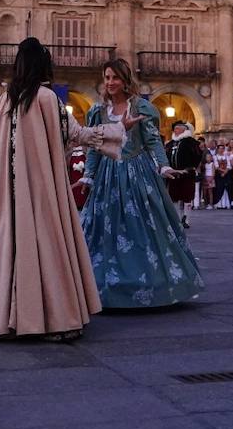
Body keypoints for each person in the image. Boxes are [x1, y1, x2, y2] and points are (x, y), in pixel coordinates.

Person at [0, 38, 122, 339]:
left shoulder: (4, 100)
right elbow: (75, 135)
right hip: (38, 189)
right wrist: (117, 132)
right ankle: (49, 318)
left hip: (4, 192)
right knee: (44, 244)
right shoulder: (47, 98)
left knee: (4, 243)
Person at [80, 58, 205, 308]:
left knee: (142, 228)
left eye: (115, 77)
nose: (110, 82)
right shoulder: (97, 111)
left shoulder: (141, 108)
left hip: (137, 172)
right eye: (107, 77)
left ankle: (148, 282)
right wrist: (89, 174)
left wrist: (163, 164)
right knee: (105, 230)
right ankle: (100, 285)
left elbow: (152, 141)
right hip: (107, 175)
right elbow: (95, 147)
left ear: (126, 80)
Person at [164, 121, 203, 228]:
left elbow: (198, 155)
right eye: (175, 129)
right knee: (174, 196)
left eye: (177, 129)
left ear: (183, 130)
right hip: (173, 174)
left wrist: (190, 167)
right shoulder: (170, 143)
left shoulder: (191, 142)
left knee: (187, 196)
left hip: (187, 173)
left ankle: (186, 218)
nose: (175, 131)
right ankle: (176, 218)